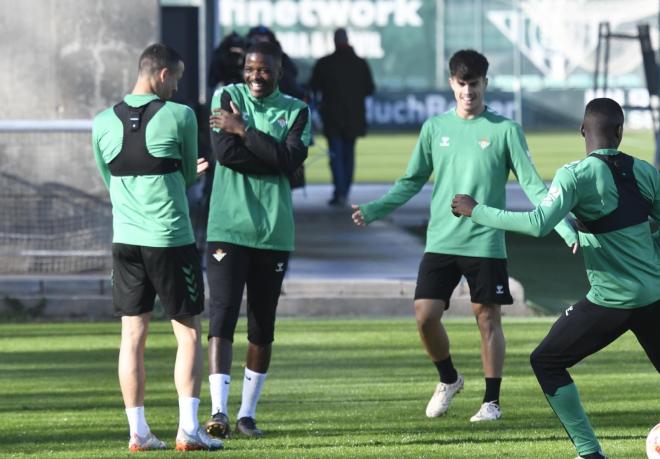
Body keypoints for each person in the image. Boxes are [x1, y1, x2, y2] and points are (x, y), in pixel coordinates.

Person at [351, 49, 577, 422]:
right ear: (451, 83)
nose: (467, 91)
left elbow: (536, 188)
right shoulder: (434, 128)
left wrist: (564, 226)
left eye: (474, 84)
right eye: (461, 84)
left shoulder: (505, 131)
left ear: (485, 83)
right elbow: (410, 182)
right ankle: (449, 378)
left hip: (486, 240)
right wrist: (375, 210)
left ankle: (491, 402)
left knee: (487, 318)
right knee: (425, 315)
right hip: (441, 239)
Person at [451, 97, 659, 459]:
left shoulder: (575, 175)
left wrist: (476, 211)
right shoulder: (645, 172)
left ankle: (590, 452)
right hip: (654, 297)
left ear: (582, 130)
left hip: (610, 301)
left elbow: (537, 224)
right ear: (621, 132)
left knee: (546, 361)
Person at [92, 43, 222, 452]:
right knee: (187, 335)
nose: (177, 87)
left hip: (125, 241)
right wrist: (188, 174)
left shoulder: (101, 122)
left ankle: (139, 433)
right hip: (169, 240)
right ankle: (188, 430)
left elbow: (109, 180)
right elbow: (185, 173)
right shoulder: (180, 115)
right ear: (163, 74)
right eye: (177, 79)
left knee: (132, 335)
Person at [203, 41, 311, 440]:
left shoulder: (297, 110)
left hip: (273, 231)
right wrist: (273, 157)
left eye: (264, 69)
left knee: (262, 324)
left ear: (279, 71)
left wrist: (244, 130)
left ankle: (246, 414)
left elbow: (290, 160)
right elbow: (226, 154)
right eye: (250, 68)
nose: (255, 76)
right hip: (227, 229)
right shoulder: (226, 96)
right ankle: (218, 411)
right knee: (222, 315)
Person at [310, 28, 375, 207]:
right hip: (354, 117)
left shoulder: (325, 63)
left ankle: (340, 191)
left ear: (334, 41)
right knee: (348, 155)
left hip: (332, 117)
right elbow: (370, 88)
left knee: (336, 156)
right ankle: (344, 191)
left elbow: (313, 87)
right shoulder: (360, 63)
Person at [246, 25, 306, 100]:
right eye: (255, 39)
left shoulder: (281, 59)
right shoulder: (243, 56)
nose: (258, 41)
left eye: (262, 38)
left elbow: (290, 80)